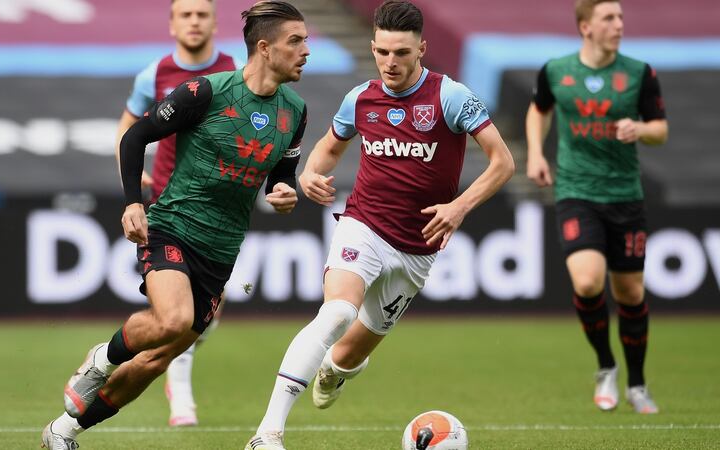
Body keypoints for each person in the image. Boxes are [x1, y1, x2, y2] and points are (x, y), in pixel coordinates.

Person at [245, 2, 514, 449]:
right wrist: (310, 173)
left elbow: (503, 162)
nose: (391, 62)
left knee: (348, 355)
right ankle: (268, 433)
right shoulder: (360, 98)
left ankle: (336, 370)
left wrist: (460, 207)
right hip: (363, 226)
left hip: (418, 249)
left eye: (402, 53)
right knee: (337, 312)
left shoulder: (451, 97)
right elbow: (328, 149)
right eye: (383, 52)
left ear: (421, 49)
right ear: (372, 47)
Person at [41, 2, 310, 448]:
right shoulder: (205, 92)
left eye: (306, 41)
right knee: (174, 319)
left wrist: (284, 192)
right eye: (295, 41)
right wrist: (133, 203)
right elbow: (134, 137)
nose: (306, 51)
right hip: (173, 226)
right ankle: (101, 360)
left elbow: (281, 176)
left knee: (156, 360)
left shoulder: (295, 111)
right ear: (265, 48)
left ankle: (62, 431)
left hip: (222, 250)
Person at [525, 0, 667, 414]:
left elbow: (661, 130)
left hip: (625, 194)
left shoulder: (639, 73)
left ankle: (637, 383)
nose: (619, 24)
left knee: (630, 292)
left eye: (620, 17)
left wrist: (640, 128)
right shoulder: (556, 71)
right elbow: (538, 110)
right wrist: (535, 153)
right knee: (587, 283)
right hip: (576, 191)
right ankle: (606, 366)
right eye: (609, 18)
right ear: (586, 27)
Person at [113, 0, 240, 427]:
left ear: (215, 23)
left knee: (206, 315)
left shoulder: (235, 72)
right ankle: (179, 389)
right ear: (172, 24)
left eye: (202, 14)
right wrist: (133, 177)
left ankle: (171, 369)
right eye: (185, 14)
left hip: (216, 209)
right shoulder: (154, 74)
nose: (194, 21)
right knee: (176, 314)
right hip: (167, 206)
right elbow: (127, 129)